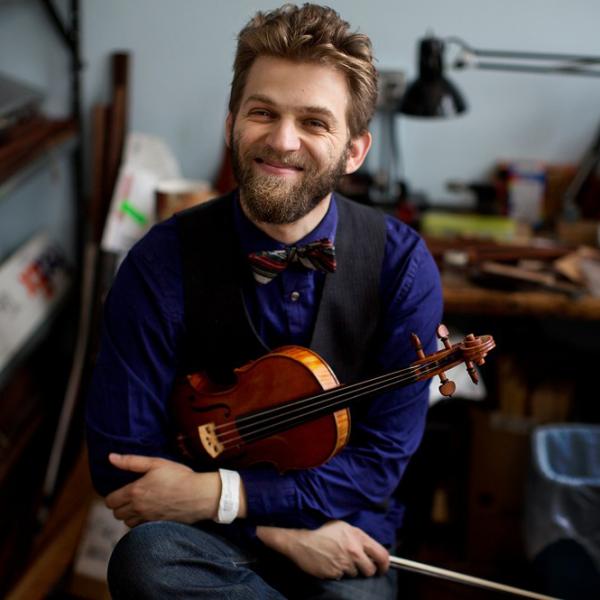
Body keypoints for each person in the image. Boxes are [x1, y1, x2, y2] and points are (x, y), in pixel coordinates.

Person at [85, 4, 443, 599]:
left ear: (354, 151)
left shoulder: (402, 266)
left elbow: (378, 464)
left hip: (342, 530)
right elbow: (120, 462)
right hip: (207, 539)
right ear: (231, 124)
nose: (282, 140)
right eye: (263, 113)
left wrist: (217, 493)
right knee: (146, 560)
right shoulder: (158, 262)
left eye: (314, 122)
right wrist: (269, 529)